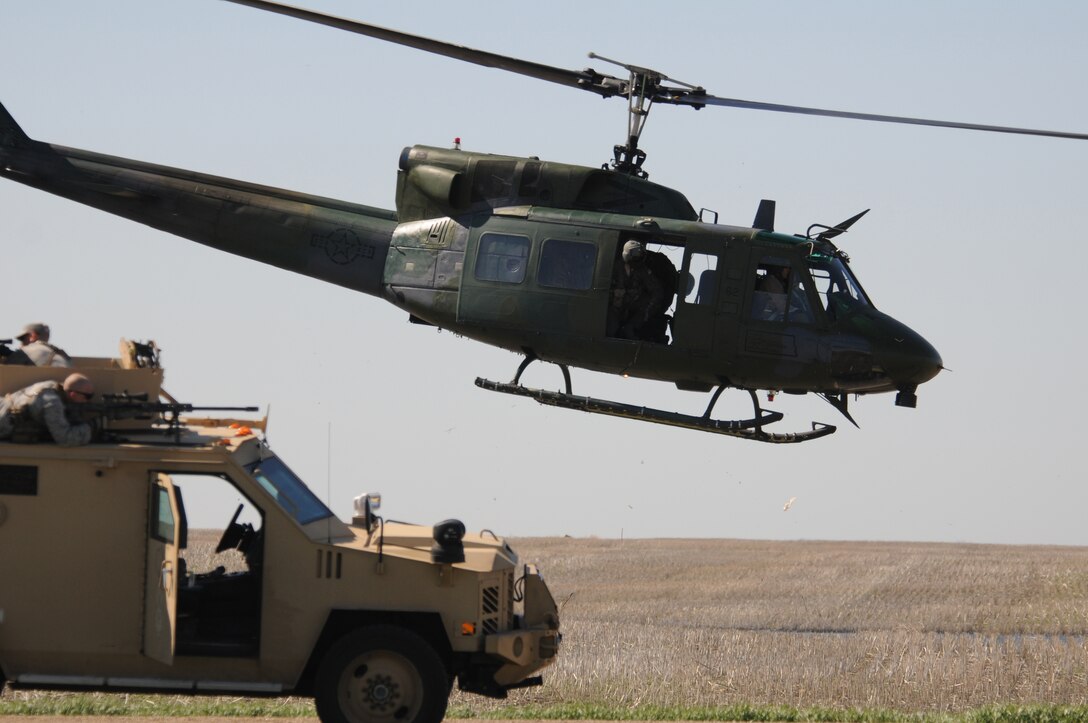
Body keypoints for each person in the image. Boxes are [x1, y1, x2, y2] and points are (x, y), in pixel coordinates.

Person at [0, 373, 97, 446]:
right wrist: (88, 428)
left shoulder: (50, 385)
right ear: (73, 394)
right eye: (88, 396)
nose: (88, 401)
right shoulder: (53, 403)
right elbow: (64, 438)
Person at [608, 239, 666, 341]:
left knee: (631, 331)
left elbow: (657, 290)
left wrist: (647, 311)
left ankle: (629, 329)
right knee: (611, 331)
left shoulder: (642, 270)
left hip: (634, 306)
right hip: (615, 306)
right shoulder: (615, 268)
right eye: (636, 255)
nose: (639, 258)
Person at [4, 322, 72, 367]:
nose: (21, 344)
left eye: (22, 339)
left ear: (33, 336)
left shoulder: (25, 352)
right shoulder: (62, 354)